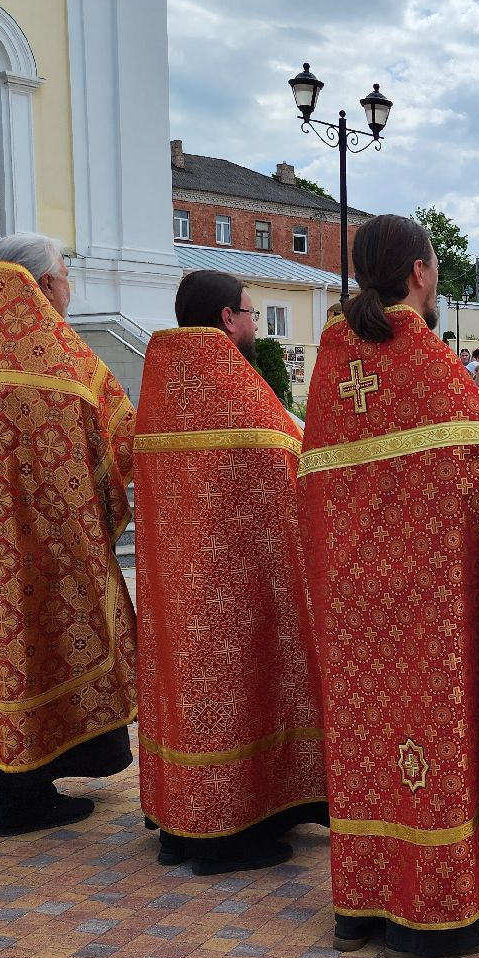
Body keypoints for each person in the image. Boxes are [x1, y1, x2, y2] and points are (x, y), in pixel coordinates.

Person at [299, 214, 479, 958]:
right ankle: (432, 919)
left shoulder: (333, 359)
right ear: (421, 274)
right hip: (429, 605)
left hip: (352, 609)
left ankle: (359, 908)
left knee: (363, 744)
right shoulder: (422, 360)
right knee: (432, 742)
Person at [0, 234, 138, 837]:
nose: (69, 288)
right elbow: (118, 437)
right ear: (43, 285)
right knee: (37, 643)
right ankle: (26, 801)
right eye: (67, 275)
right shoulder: (56, 358)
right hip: (42, 543)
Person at [132, 270, 327, 875]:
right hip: (231, 590)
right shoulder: (228, 385)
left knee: (183, 698)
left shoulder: (162, 381)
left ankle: (177, 825)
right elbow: (286, 459)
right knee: (233, 694)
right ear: (225, 318)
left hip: (173, 589)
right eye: (249, 311)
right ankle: (227, 838)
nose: (252, 321)